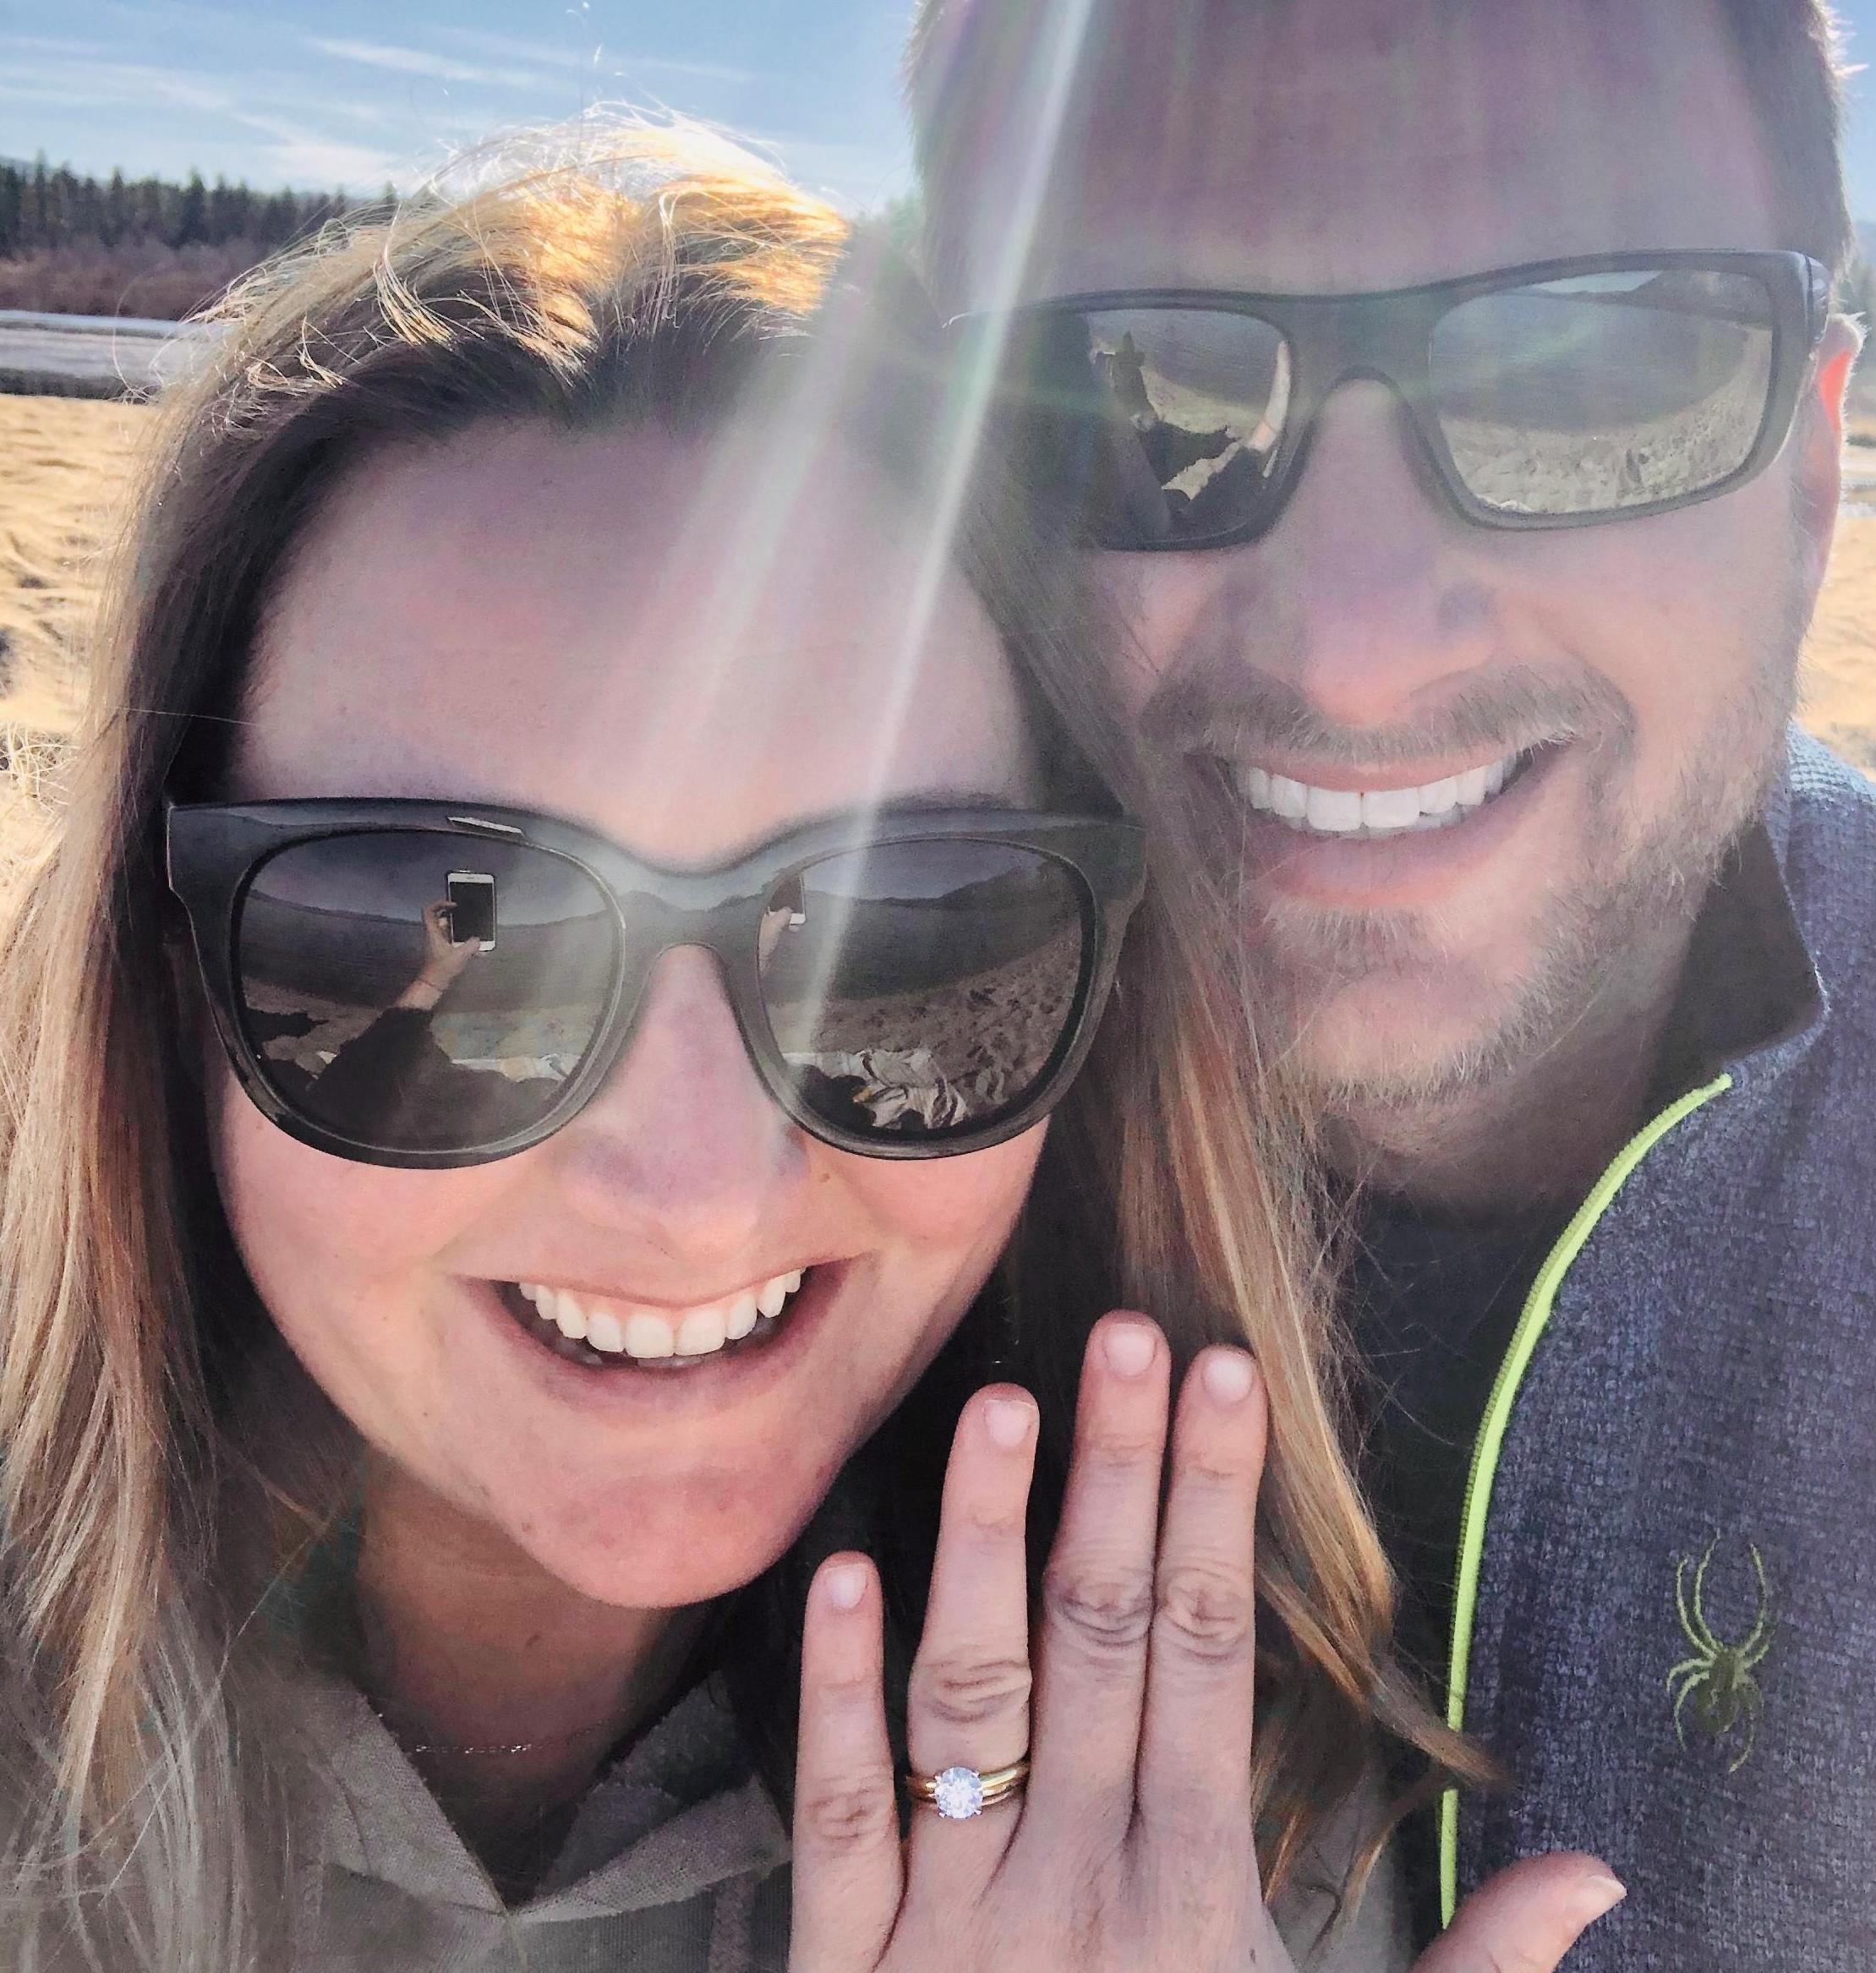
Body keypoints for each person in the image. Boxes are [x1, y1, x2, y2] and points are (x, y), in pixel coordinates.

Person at [0, 127, 1622, 1973]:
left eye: (907, 949)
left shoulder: (1200, 1851)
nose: (696, 1192)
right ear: (157, 976)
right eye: (437, 947)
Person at [907, 1, 1876, 1965]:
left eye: (1591, 372)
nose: (1357, 648)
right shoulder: (754, 1150)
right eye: (1138, 398)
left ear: (1811, 478)